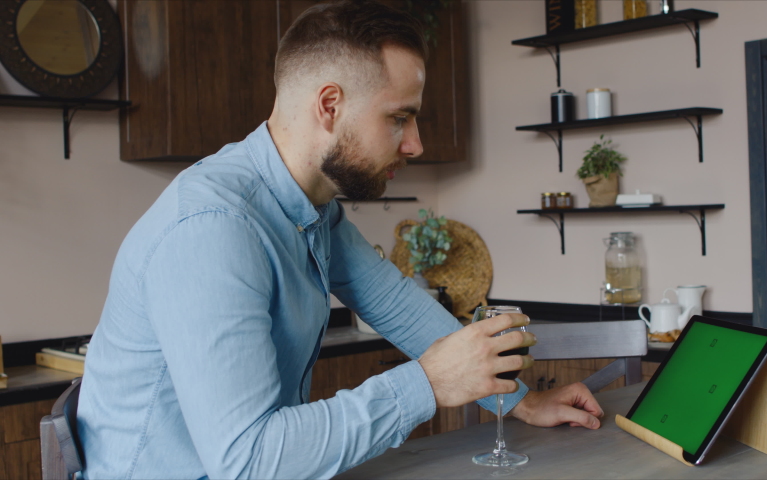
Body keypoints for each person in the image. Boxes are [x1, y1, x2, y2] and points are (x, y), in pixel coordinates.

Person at [77, 1, 604, 478]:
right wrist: (426, 384)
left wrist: (518, 402)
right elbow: (249, 459)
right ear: (329, 106)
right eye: (399, 117)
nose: (416, 143)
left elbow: (397, 304)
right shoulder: (214, 228)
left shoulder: (311, 209)